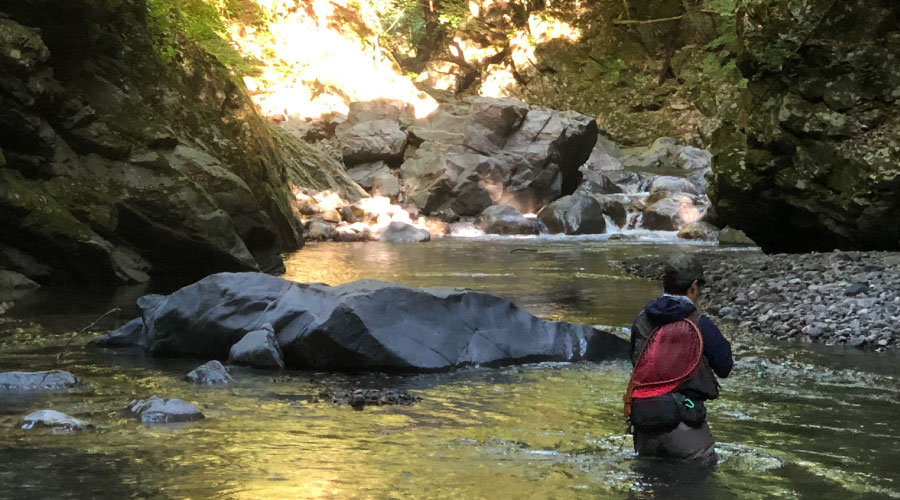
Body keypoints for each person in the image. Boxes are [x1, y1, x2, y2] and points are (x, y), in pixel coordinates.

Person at [625, 253, 733, 463]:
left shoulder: (641, 320)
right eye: (699, 289)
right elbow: (725, 367)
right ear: (693, 286)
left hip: (644, 422)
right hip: (685, 423)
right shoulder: (700, 323)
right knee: (700, 483)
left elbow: (636, 362)